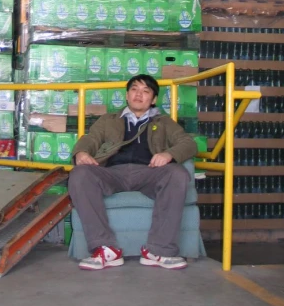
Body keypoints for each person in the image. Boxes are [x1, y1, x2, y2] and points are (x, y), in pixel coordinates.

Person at [68, 74, 197, 271]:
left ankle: (159, 251)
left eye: (146, 91)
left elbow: (188, 143)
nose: (139, 95)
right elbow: (91, 138)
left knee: (177, 173)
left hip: (149, 173)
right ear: (127, 95)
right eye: (135, 90)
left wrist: (168, 154)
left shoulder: (164, 122)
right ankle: (105, 250)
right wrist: (82, 152)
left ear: (153, 99)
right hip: (113, 173)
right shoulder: (108, 120)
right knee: (80, 174)